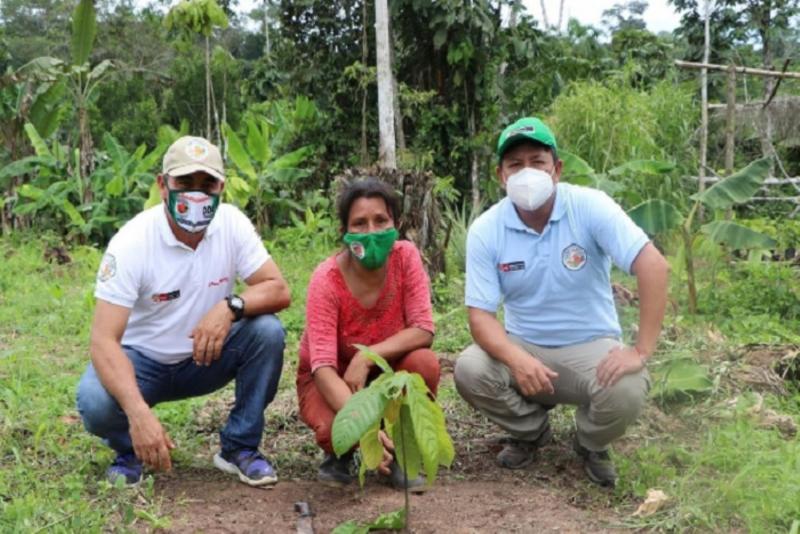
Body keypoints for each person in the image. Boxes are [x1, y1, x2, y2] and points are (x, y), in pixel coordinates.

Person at [454, 118, 669, 487]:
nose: (526, 173)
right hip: (525, 345)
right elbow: (481, 317)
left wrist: (640, 350)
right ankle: (531, 431)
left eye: (537, 162)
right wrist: (516, 359)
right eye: (515, 164)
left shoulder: (589, 206)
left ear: (556, 169)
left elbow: (654, 266)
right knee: (470, 369)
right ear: (500, 175)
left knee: (628, 388)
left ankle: (590, 443)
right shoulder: (487, 229)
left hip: (591, 347)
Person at [76, 136, 290, 487]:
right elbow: (103, 341)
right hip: (141, 364)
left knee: (267, 332)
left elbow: (278, 288)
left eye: (207, 184)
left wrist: (229, 306)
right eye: (184, 182)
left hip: (206, 356)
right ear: (163, 185)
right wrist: (138, 413)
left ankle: (239, 447)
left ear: (221, 187)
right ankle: (131, 450)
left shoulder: (231, 224)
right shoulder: (132, 242)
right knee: (95, 399)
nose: (196, 194)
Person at [296, 178, 439, 490]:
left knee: (424, 364)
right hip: (334, 379)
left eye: (380, 220)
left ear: (395, 224)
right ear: (344, 231)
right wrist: (366, 428)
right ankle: (343, 454)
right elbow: (323, 368)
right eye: (359, 223)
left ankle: (402, 450)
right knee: (334, 431)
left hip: (386, 373)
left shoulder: (405, 257)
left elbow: (423, 329)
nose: (371, 231)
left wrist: (366, 357)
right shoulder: (327, 280)